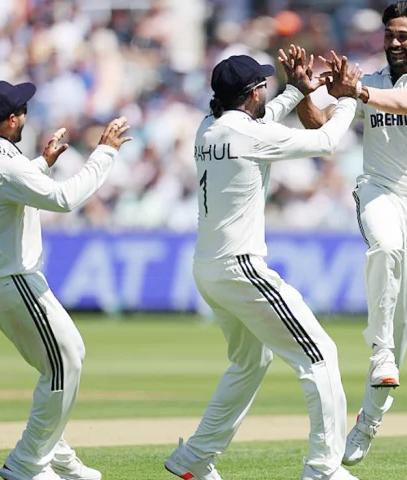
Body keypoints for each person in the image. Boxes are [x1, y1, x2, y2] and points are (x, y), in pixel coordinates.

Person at [164, 50, 362, 480]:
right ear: (253, 93)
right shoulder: (248, 135)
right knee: (321, 355)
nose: (266, 92)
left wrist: (294, 92)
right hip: (241, 267)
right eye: (263, 87)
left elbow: (261, 119)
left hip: (209, 268)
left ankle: (195, 458)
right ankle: (324, 468)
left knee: (250, 362)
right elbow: (327, 141)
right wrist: (349, 99)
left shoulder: (209, 128)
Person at [295, 1, 407, 465]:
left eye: (403, 36)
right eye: (389, 34)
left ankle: (369, 421)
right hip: (379, 189)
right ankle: (380, 350)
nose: (393, 43)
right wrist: (306, 92)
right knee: (383, 245)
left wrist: (357, 93)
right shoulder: (371, 78)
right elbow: (319, 124)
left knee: (404, 317)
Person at [0, 79, 131, 480]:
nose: (25, 116)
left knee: (58, 367)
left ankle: (57, 455)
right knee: (66, 362)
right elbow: (64, 200)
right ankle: (28, 463)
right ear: (10, 119)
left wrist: (41, 164)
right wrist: (104, 153)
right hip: (13, 280)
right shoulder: (4, 160)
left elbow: (2, 191)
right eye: (21, 111)